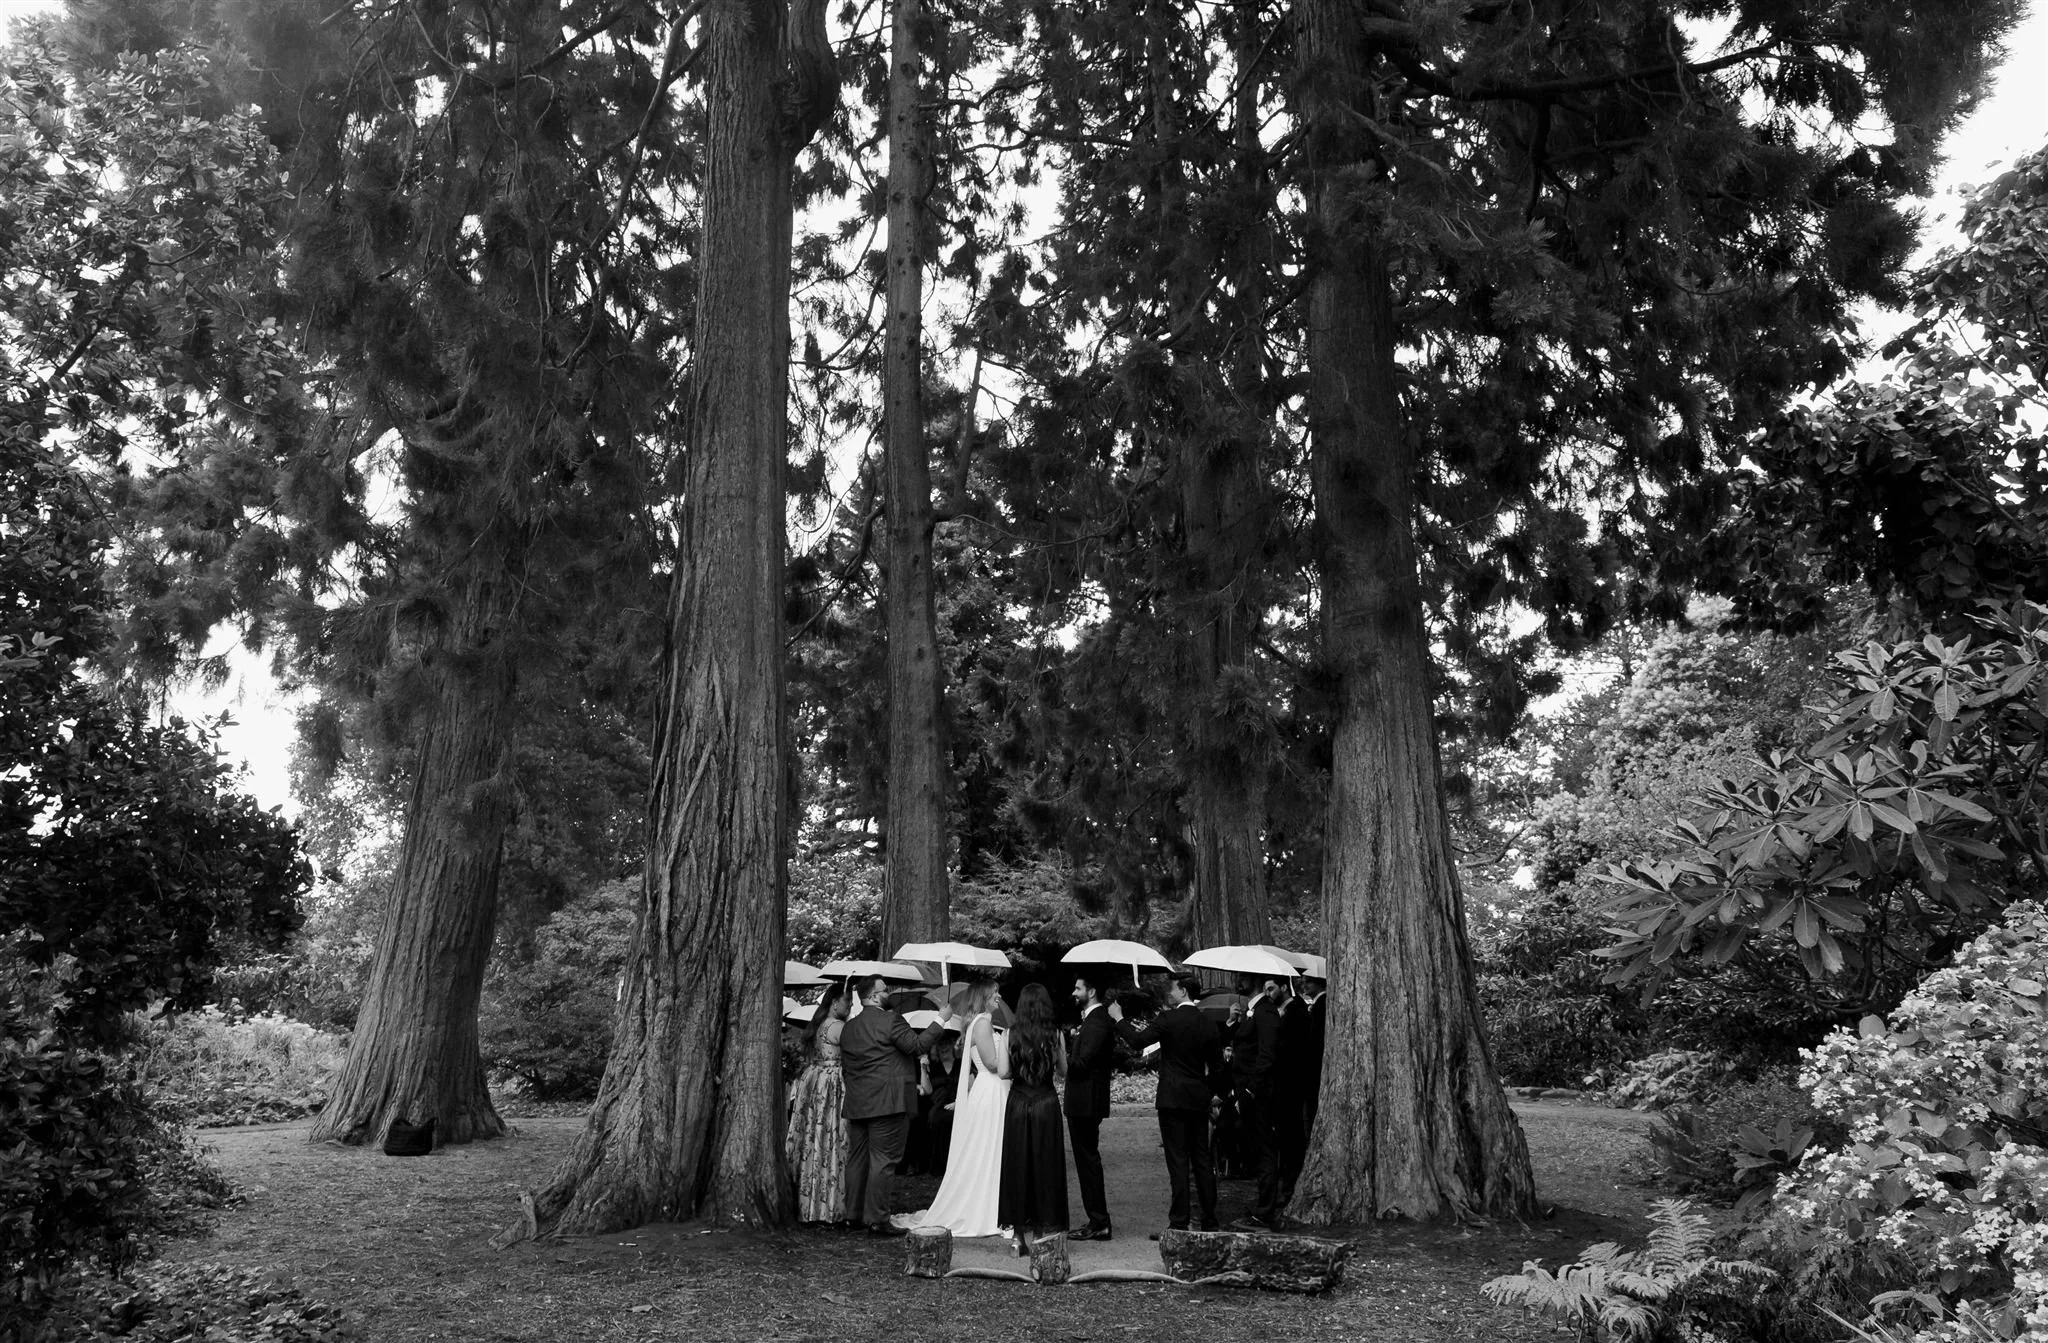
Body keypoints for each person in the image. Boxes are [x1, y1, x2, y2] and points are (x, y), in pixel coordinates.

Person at [1110, 972, 1225, 1232]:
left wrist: (1118, 1019)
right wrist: (1211, 1093)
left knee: (1177, 1160)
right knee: (1202, 1158)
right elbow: (1218, 1068)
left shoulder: (1169, 1019)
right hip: (1197, 1098)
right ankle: (1209, 1218)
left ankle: (1179, 1221)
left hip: (1172, 1098)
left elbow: (1138, 1041)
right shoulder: (1207, 1023)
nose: (1168, 993)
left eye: (1172, 989)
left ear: (1183, 990)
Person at [840, 974, 950, 1235]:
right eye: (884, 989)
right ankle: (877, 1219)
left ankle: (853, 1215)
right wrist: (941, 1019)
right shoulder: (890, 1020)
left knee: (857, 1159)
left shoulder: (850, 1028)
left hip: (858, 1101)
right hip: (888, 1102)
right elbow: (918, 1044)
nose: (889, 992)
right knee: (883, 1160)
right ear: (874, 996)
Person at [901, 979, 1010, 1236]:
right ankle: (987, 1209)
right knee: (988, 1149)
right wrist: (1007, 1043)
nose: (999, 996)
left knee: (993, 1148)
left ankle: (997, 1206)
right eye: (995, 993)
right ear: (983, 996)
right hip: (991, 1088)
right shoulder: (983, 1023)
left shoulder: (982, 1023)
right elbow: (993, 1064)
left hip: (994, 1089)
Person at [998, 982, 1068, 1255]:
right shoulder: (1055, 1035)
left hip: (1018, 1103)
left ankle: (1017, 1237)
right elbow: (1063, 1071)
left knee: (1017, 1166)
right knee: (1045, 1166)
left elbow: (1004, 1072)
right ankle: (1040, 1232)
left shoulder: (1008, 1034)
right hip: (1046, 1103)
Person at [786, 982, 851, 1224]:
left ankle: (810, 1202)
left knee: (815, 1137)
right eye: (848, 1001)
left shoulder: (819, 1023)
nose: (851, 1005)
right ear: (835, 1003)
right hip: (832, 1084)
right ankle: (831, 1206)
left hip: (815, 1081)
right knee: (833, 1137)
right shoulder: (838, 1027)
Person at [1229, 972, 1287, 1230]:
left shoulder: (1265, 1011)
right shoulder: (1252, 1011)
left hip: (1259, 1094)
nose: (1237, 981)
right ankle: (1262, 1204)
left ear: (1254, 980)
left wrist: (1252, 1090)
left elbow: (1267, 1054)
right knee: (1254, 1145)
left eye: (1241, 978)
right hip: (1247, 1092)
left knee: (1264, 1149)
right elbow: (1245, 1047)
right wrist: (1233, 1023)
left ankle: (1266, 1211)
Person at [1064, 974, 1117, 1241]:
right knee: (1086, 1161)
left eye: (1078, 988)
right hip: (1083, 1101)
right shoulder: (1090, 1022)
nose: (1074, 992)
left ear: (1092, 991)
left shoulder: (1097, 1023)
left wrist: (1060, 1053)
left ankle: (1099, 1222)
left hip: (1086, 1102)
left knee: (1088, 1163)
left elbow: (1083, 1064)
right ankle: (1096, 1220)